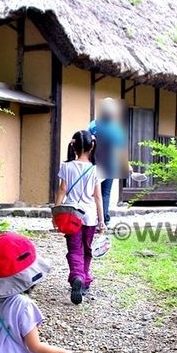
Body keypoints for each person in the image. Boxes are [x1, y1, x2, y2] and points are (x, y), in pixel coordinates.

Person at [55, 129, 105, 305]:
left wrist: (56, 211)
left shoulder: (66, 166)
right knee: (87, 249)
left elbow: (62, 190)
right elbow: (97, 196)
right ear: (92, 146)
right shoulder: (95, 170)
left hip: (71, 215)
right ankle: (84, 279)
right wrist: (102, 221)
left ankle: (77, 276)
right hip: (90, 216)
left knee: (75, 249)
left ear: (73, 146)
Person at [88, 98, 128, 226]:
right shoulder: (116, 129)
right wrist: (126, 164)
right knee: (105, 193)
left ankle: (93, 217)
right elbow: (122, 149)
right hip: (110, 164)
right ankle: (104, 218)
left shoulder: (93, 125)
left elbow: (87, 140)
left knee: (93, 192)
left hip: (94, 163)